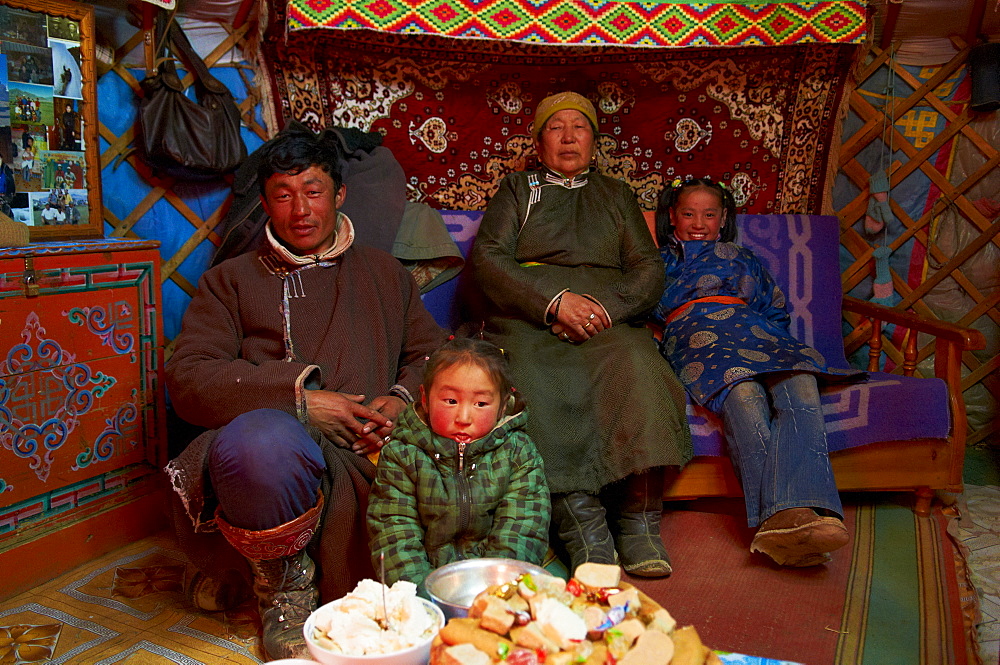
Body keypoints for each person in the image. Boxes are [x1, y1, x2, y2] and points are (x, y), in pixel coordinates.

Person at [164, 127, 446, 660]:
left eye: (313, 191)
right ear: (264, 201)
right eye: (283, 195)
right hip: (275, 465)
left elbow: (431, 356)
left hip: (371, 451)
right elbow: (188, 378)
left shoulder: (386, 274)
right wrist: (300, 401)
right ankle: (285, 593)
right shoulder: (230, 281)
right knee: (260, 443)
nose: (300, 210)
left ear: (339, 195)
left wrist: (401, 397)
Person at [467, 91, 691, 578]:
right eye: (555, 127)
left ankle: (639, 521)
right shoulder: (518, 190)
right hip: (530, 319)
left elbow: (648, 269)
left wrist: (604, 310)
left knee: (640, 366)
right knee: (528, 374)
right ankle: (581, 523)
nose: (568, 137)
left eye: (579, 127)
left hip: (606, 321)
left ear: (594, 140)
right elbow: (488, 260)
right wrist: (554, 303)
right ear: (539, 141)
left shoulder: (616, 196)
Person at [651, 177, 862, 567]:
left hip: (754, 330)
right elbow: (639, 312)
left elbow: (773, 307)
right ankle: (797, 519)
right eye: (689, 213)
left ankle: (787, 525)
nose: (699, 222)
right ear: (672, 217)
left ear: (724, 217)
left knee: (799, 379)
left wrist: (768, 344)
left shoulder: (742, 257)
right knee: (744, 394)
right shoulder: (655, 263)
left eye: (710, 214)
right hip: (695, 334)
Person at [368, 337, 551, 592]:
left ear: (503, 405)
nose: (463, 417)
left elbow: (522, 531)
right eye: (450, 401)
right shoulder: (401, 455)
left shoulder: (518, 452)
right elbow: (394, 534)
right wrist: (422, 595)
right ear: (425, 398)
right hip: (425, 592)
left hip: (496, 589)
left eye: (481, 404)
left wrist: (496, 592)